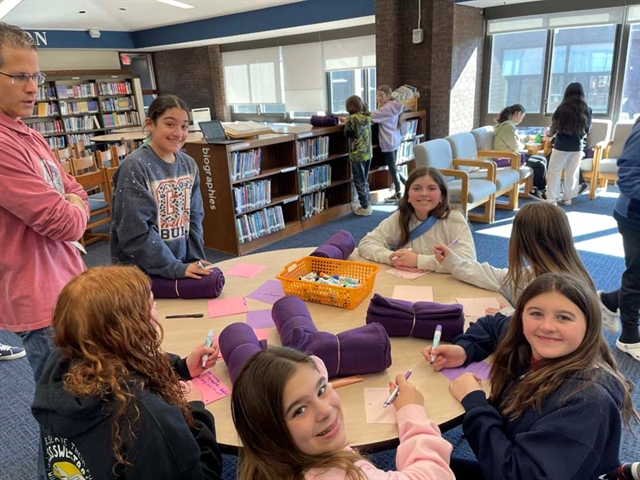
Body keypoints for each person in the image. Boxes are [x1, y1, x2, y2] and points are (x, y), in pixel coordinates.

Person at [423, 273, 639, 480]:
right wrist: (464, 350)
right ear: (521, 317)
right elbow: (491, 325)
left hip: (514, 471)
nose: (546, 326)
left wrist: (475, 403)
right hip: (515, 457)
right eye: (535, 313)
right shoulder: (529, 343)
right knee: (423, 465)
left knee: (421, 467)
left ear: (588, 326)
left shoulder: (586, 404)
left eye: (564, 318)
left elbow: (517, 475)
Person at [31, 266, 223, 479]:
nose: (157, 309)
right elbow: (201, 474)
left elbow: (127, 360)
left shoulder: (58, 368)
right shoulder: (148, 417)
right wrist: (196, 412)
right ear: (132, 329)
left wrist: (182, 367)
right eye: (152, 305)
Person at [0, 21, 89, 380]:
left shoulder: (29, 135)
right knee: (65, 416)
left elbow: (77, 189)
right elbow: (64, 222)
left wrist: (71, 201)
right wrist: (71, 205)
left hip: (66, 286)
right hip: (40, 303)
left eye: (37, 75)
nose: (33, 87)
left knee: (87, 404)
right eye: (20, 75)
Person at [231, 346, 455, 480]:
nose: (325, 410)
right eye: (299, 410)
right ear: (270, 434)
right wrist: (412, 411)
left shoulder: (267, 464)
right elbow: (434, 475)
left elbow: (313, 367)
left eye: (321, 389)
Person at [111, 94, 212, 280]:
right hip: (140, 274)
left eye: (184, 126)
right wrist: (172, 267)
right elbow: (134, 232)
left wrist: (195, 259)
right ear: (150, 124)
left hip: (179, 264)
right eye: (170, 124)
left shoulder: (189, 165)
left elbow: (195, 217)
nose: (178, 133)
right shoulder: (135, 167)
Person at [434, 201, 595, 315]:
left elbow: (541, 327)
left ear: (524, 243)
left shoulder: (558, 287)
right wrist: (452, 261)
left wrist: (508, 315)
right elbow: (497, 278)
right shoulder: (537, 272)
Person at [358, 167, 476, 272]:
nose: (424, 194)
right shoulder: (401, 216)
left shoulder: (453, 218)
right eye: (417, 188)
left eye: (431, 188)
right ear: (408, 197)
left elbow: (468, 261)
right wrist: (393, 258)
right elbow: (366, 243)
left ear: (442, 196)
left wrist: (418, 261)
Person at [599, 117, 640, 362]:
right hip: (635, 216)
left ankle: (610, 300)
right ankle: (629, 337)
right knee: (637, 276)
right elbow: (629, 176)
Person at [546, 82, 592, 206]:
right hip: (577, 147)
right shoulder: (587, 109)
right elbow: (588, 130)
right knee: (572, 173)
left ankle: (551, 199)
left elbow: (553, 129)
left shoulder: (561, 109)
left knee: (554, 171)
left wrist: (549, 135)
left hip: (561, 146)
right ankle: (567, 198)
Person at [493, 104, 547, 198]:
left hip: (512, 156)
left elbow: (515, 143)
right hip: (508, 159)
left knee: (542, 159)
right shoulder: (508, 127)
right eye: (522, 117)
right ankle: (537, 190)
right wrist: (524, 141)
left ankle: (540, 190)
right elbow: (516, 147)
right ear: (518, 113)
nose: (522, 120)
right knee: (539, 164)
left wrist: (524, 140)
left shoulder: (507, 126)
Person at [372, 85, 405, 203]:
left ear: (388, 96)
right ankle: (406, 185)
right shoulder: (394, 105)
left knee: (392, 168)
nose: (378, 98)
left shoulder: (386, 108)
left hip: (388, 141)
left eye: (381, 95)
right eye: (377, 95)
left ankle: (399, 192)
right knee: (393, 167)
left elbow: (372, 116)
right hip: (394, 139)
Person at [343, 95, 373, 217]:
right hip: (368, 153)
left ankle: (365, 206)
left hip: (357, 154)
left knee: (359, 181)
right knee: (364, 179)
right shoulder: (367, 116)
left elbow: (347, 133)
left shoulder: (352, 119)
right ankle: (368, 203)